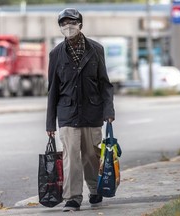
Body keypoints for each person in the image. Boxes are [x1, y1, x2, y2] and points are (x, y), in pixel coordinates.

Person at [46, 8, 115, 212]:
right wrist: (50, 123)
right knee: (71, 158)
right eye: (64, 24)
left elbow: (105, 84)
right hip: (67, 114)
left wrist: (108, 110)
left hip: (92, 113)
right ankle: (72, 197)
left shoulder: (96, 49)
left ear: (80, 25)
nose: (68, 26)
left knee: (91, 156)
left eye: (72, 22)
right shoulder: (56, 54)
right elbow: (52, 90)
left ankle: (95, 189)